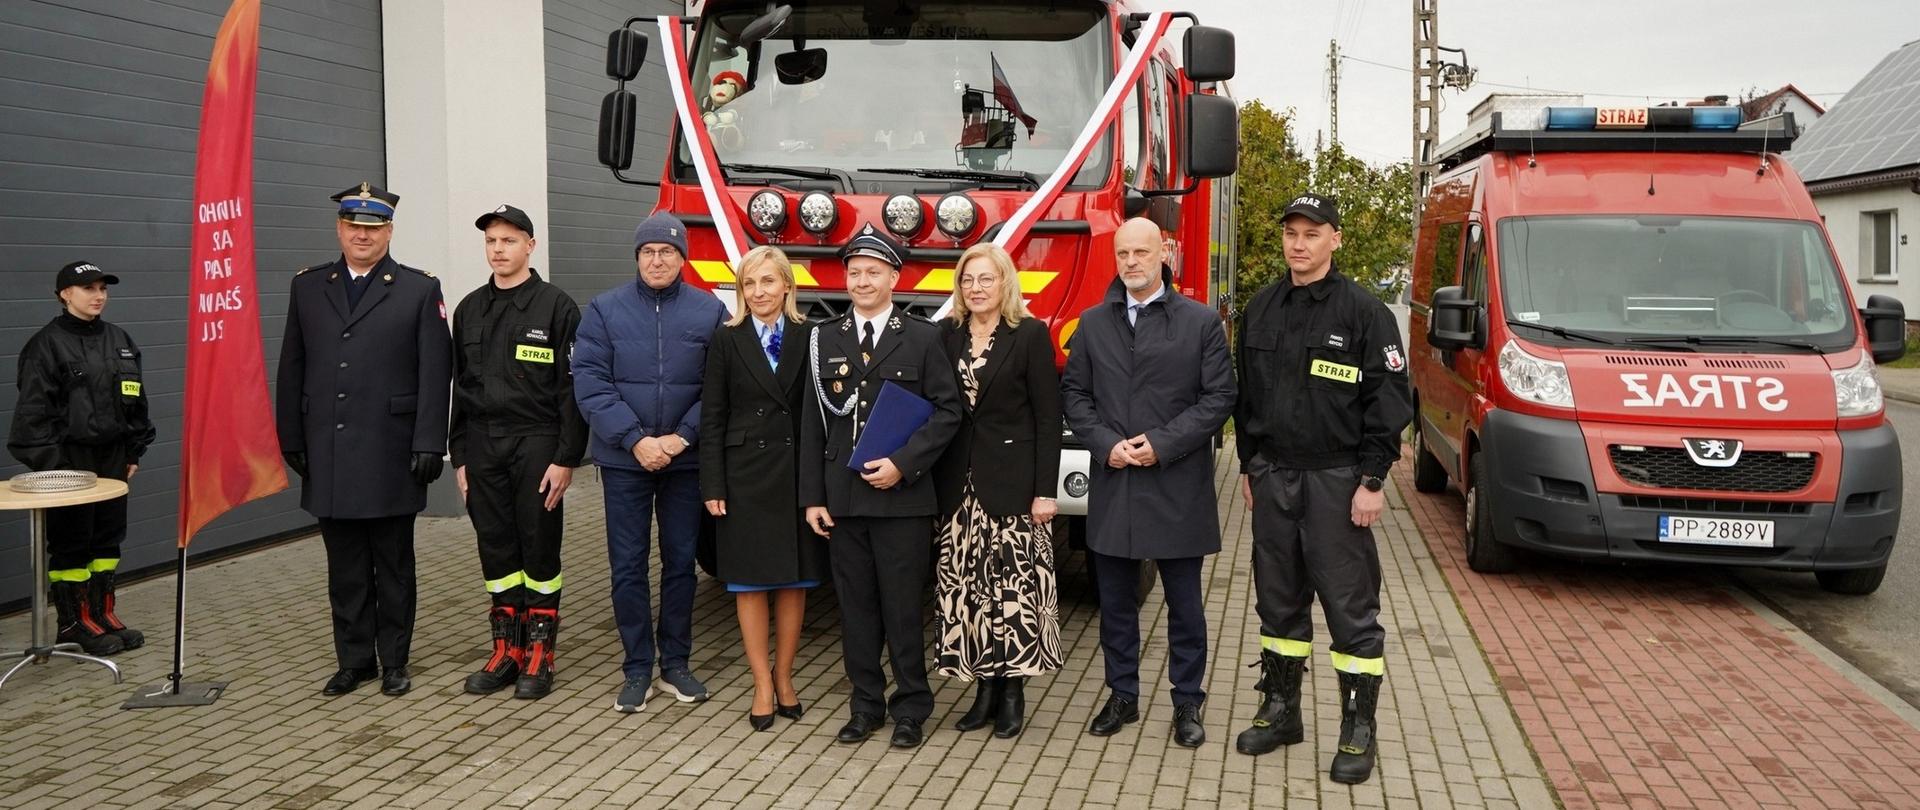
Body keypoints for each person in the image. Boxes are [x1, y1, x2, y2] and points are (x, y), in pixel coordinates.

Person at [1231, 193, 1412, 784]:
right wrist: (1249, 466)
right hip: (1273, 478)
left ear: (1335, 239)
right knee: (1278, 602)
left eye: (1312, 233)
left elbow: (1390, 400)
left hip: (1337, 481)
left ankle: (1358, 729)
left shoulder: (1364, 313)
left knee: (1350, 610)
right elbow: (1245, 397)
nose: (1299, 244)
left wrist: (1372, 480)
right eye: (1291, 233)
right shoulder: (1261, 309)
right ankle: (1282, 712)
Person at [1060, 217, 1235, 749]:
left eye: (1141, 251)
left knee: (1185, 606)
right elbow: (1074, 396)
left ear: (1165, 255)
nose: (1131, 261)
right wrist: (1104, 443)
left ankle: (1187, 701)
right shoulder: (1093, 324)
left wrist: (1161, 443)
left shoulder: (1200, 323)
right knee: (1114, 604)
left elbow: (1219, 398)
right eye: (1123, 253)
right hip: (1115, 481)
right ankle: (1122, 695)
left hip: (1176, 483)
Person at [276, 182, 454, 698]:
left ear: (389, 232)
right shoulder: (309, 286)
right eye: (353, 226)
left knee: (393, 566)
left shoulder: (419, 289)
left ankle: (394, 660)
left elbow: (435, 371)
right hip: (328, 451)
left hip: (390, 451)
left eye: (372, 228)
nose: (362, 236)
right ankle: (354, 661)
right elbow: (292, 364)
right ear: (339, 229)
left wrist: (429, 442)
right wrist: (291, 435)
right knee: (346, 567)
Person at [800, 223, 962, 749]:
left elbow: (947, 411)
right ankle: (865, 704)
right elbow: (812, 422)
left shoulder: (923, 336)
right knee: (857, 610)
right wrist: (813, 497)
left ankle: (911, 706)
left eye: (873, 272)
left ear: (894, 277)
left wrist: (902, 464)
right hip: (844, 499)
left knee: (902, 609)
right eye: (854, 272)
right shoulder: (824, 338)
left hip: (902, 498)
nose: (862, 281)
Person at [573, 211, 726, 713]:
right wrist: (636, 440)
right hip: (624, 462)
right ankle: (637, 667)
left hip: (684, 462)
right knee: (627, 566)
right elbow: (590, 383)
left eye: (667, 252)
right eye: (648, 252)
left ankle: (676, 663)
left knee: (681, 564)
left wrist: (681, 439)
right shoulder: (604, 310)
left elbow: (719, 387)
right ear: (637, 257)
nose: (656, 260)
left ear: (682, 258)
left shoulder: (709, 311)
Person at [449, 204, 587, 700]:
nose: (498, 249)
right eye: (491, 241)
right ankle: (506, 650)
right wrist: (460, 456)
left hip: (537, 443)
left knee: (539, 546)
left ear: (530, 245)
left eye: (508, 240)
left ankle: (540, 654)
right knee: (497, 549)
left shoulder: (556, 307)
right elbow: (459, 388)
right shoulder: (468, 309)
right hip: (483, 446)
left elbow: (572, 390)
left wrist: (566, 458)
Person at [931, 242, 1062, 739]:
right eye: (968, 280)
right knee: (970, 593)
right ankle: (983, 691)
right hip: (959, 487)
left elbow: (1048, 418)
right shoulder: (947, 334)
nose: (976, 288)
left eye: (985, 278)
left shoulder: (1029, 334)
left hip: (1013, 486)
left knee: (1014, 593)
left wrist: (1045, 491)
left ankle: (1012, 694)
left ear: (1005, 281)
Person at [698, 245, 827, 731]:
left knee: (794, 582)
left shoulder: (811, 335)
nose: (758, 292)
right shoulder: (726, 339)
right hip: (744, 476)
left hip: (794, 473)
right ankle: (761, 684)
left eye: (768, 281)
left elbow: (819, 414)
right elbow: (712, 416)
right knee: (749, 584)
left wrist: (818, 485)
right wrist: (713, 483)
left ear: (787, 286)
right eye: (748, 284)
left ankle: (785, 676)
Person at [7, 261, 156, 657]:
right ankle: (73, 624)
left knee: (108, 539)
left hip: (113, 459)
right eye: (89, 288)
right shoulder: (46, 345)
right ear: (64, 294)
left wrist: (133, 449)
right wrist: (55, 469)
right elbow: (32, 415)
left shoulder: (119, 339)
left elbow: (135, 399)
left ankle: (101, 614)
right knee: (72, 543)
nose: (99, 296)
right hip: (69, 462)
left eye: (103, 288)